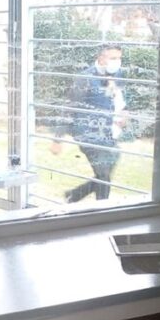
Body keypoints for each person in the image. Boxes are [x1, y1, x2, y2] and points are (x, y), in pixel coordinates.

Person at [51, 44, 127, 202]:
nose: (117, 62)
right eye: (113, 58)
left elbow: (120, 99)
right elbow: (69, 108)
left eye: (119, 58)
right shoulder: (85, 78)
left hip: (108, 133)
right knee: (103, 174)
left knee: (107, 168)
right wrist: (57, 139)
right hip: (88, 134)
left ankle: (74, 195)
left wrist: (124, 114)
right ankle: (101, 209)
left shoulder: (117, 75)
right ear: (101, 58)